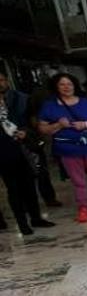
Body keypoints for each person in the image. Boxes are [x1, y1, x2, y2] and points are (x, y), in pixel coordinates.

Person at [38, 73, 87, 223]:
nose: (66, 87)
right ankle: (83, 208)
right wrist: (58, 124)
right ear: (56, 87)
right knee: (78, 181)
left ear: (75, 85)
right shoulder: (50, 105)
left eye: (69, 84)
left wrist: (85, 124)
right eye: (62, 84)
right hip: (67, 149)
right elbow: (42, 129)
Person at [0, 84, 55, 235]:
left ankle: (36, 218)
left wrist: (24, 132)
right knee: (14, 190)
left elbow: (27, 124)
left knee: (29, 186)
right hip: (4, 155)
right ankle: (22, 223)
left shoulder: (11, 107)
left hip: (23, 151)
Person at [1, 70, 60, 208]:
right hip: (5, 144)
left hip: (27, 140)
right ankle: (24, 205)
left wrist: (28, 132)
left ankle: (49, 198)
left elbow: (34, 118)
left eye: (2, 80)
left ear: (7, 81)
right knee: (15, 179)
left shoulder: (23, 98)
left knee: (40, 171)